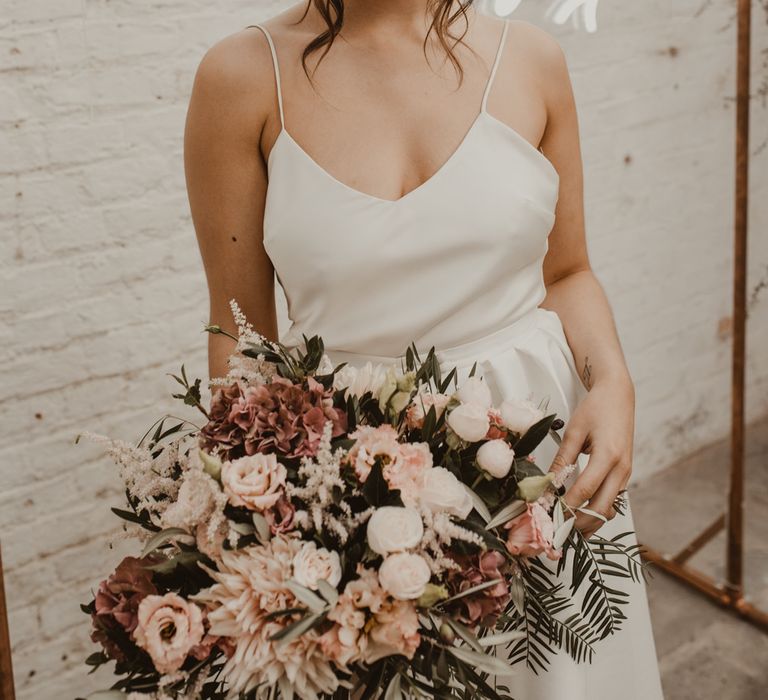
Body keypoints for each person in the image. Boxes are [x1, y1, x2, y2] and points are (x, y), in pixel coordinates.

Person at [183, 1, 664, 697]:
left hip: (537, 461)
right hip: (351, 486)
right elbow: (238, 333)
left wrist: (614, 382)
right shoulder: (241, 78)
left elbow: (568, 272)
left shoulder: (531, 60)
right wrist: (258, 515)